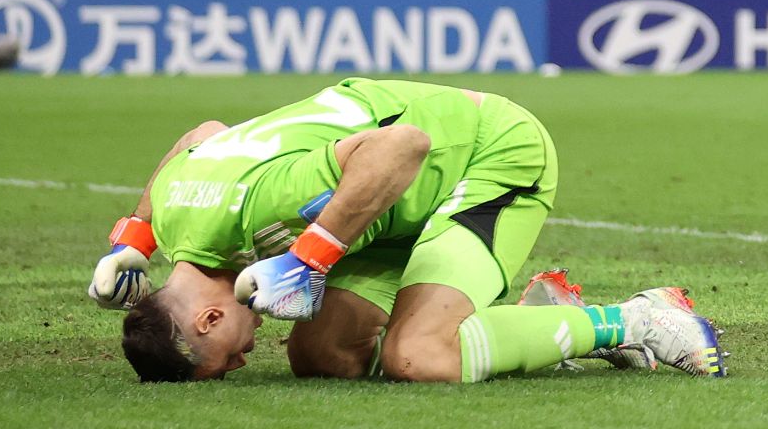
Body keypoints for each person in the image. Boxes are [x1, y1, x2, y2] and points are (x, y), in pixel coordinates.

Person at [90, 78, 725, 382]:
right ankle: (535, 323)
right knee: (319, 358)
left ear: (207, 321)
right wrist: (136, 239)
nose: (243, 358)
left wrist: (306, 260)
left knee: (415, 356)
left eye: (227, 359)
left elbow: (403, 147)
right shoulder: (177, 220)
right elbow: (200, 137)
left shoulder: (261, 212)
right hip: (388, 215)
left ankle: (635, 319)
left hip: (484, 158)